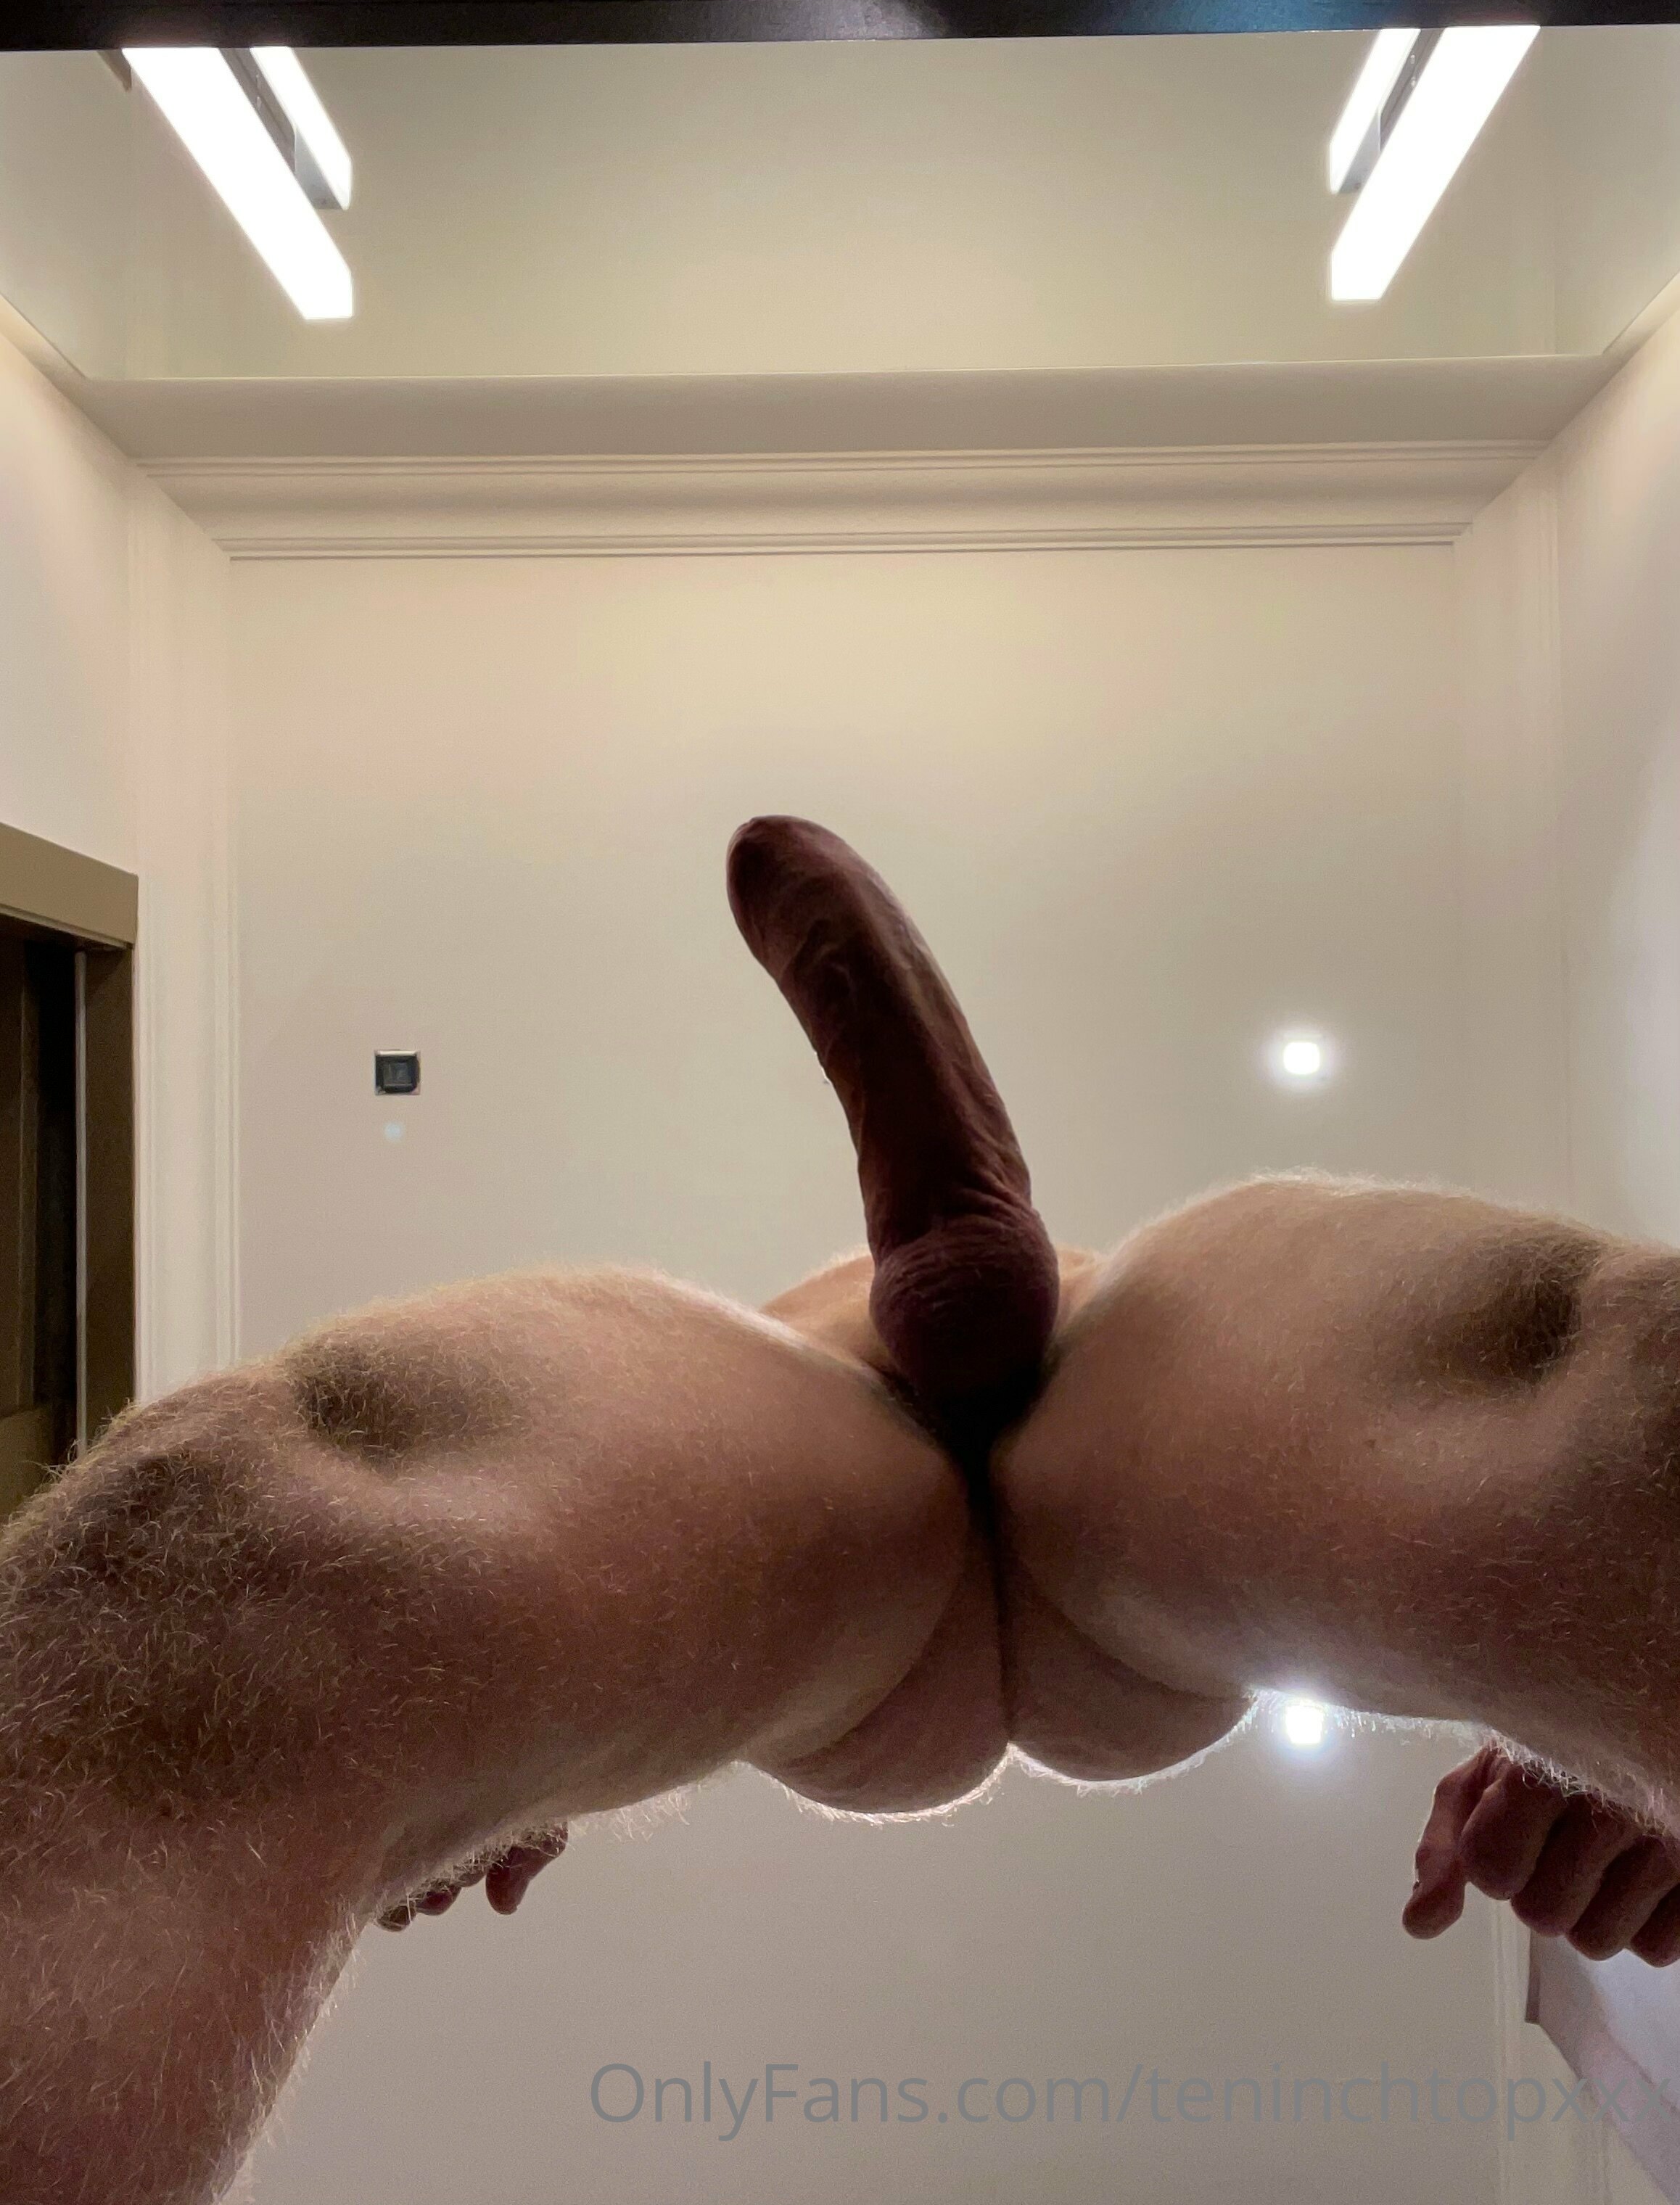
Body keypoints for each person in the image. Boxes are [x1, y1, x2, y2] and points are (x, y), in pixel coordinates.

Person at [5, 817, 1679, 2205]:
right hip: (1133, 1515)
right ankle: (986, 1317)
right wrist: (1591, 1660)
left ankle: (899, 1331)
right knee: (1609, 1437)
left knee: (262, 1568)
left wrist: (488, 1730)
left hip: (903, 1613)